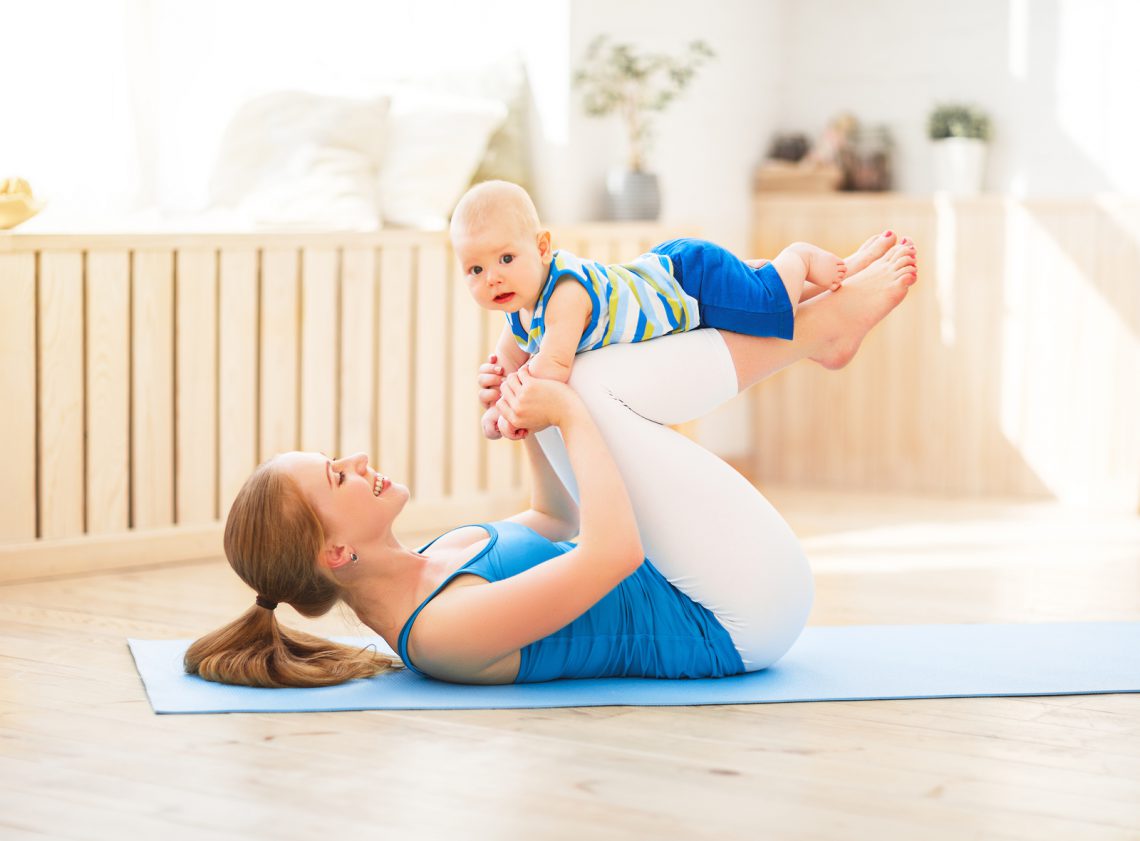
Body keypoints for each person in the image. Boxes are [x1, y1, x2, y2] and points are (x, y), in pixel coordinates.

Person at [184, 231, 918, 687]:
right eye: (336, 474)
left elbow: (553, 517)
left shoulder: (438, 555)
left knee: (570, 374)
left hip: (700, 579)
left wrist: (524, 413)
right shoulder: (438, 633)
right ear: (335, 549)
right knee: (583, 385)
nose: (357, 458)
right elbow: (610, 553)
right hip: (734, 619)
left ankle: (809, 326)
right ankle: (815, 331)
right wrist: (560, 406)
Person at [449, 180, 863, 441]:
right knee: (750, 305)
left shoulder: (565, 293)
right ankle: (795, 284)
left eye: (505, 259)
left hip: (690, 280)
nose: (493, 279)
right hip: (670, 279)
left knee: (770, 308)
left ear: (541, 248)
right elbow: (508, 378)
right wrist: (496, 408)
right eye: (476, 269)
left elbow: (552, 370)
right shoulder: (519, 313)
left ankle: (798, 259)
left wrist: (511, 402)